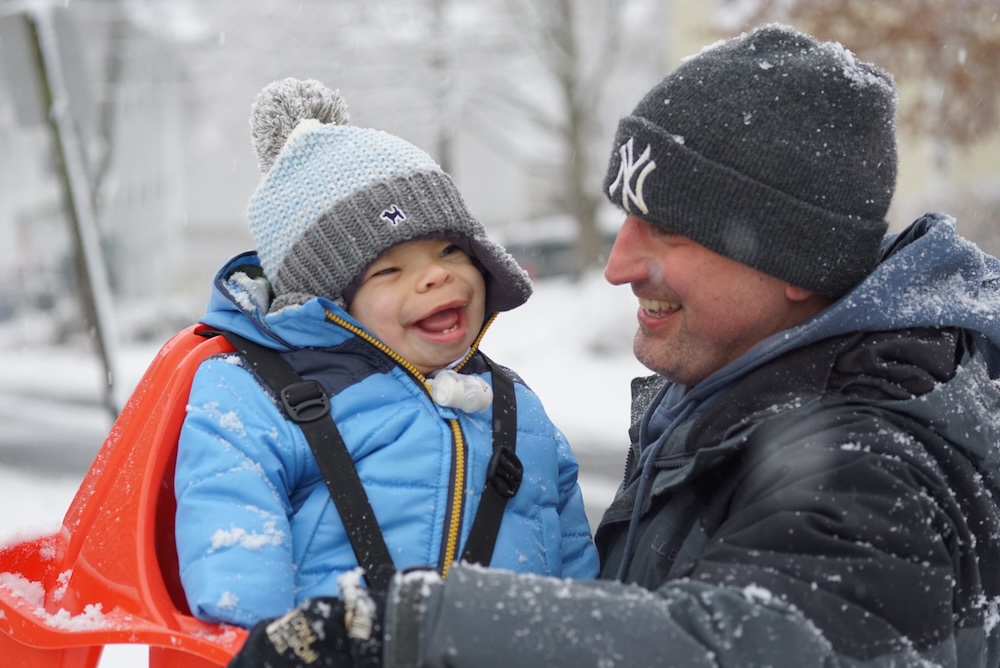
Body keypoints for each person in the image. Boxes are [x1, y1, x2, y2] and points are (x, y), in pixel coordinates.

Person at [226, 24, 1000, 668]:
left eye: (663, 229)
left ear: (794, 261)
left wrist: (412, 625)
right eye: (622, 219)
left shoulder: (881, 461)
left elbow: (746, 645)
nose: (618, 264)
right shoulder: (727, 393)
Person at [173, 78, 599, 629]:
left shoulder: (517, 410)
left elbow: (579, 583)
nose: (437, 275)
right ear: (330, 303)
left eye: (450, 248)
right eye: (389, 269)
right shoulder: (257, 397)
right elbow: (234, 557)